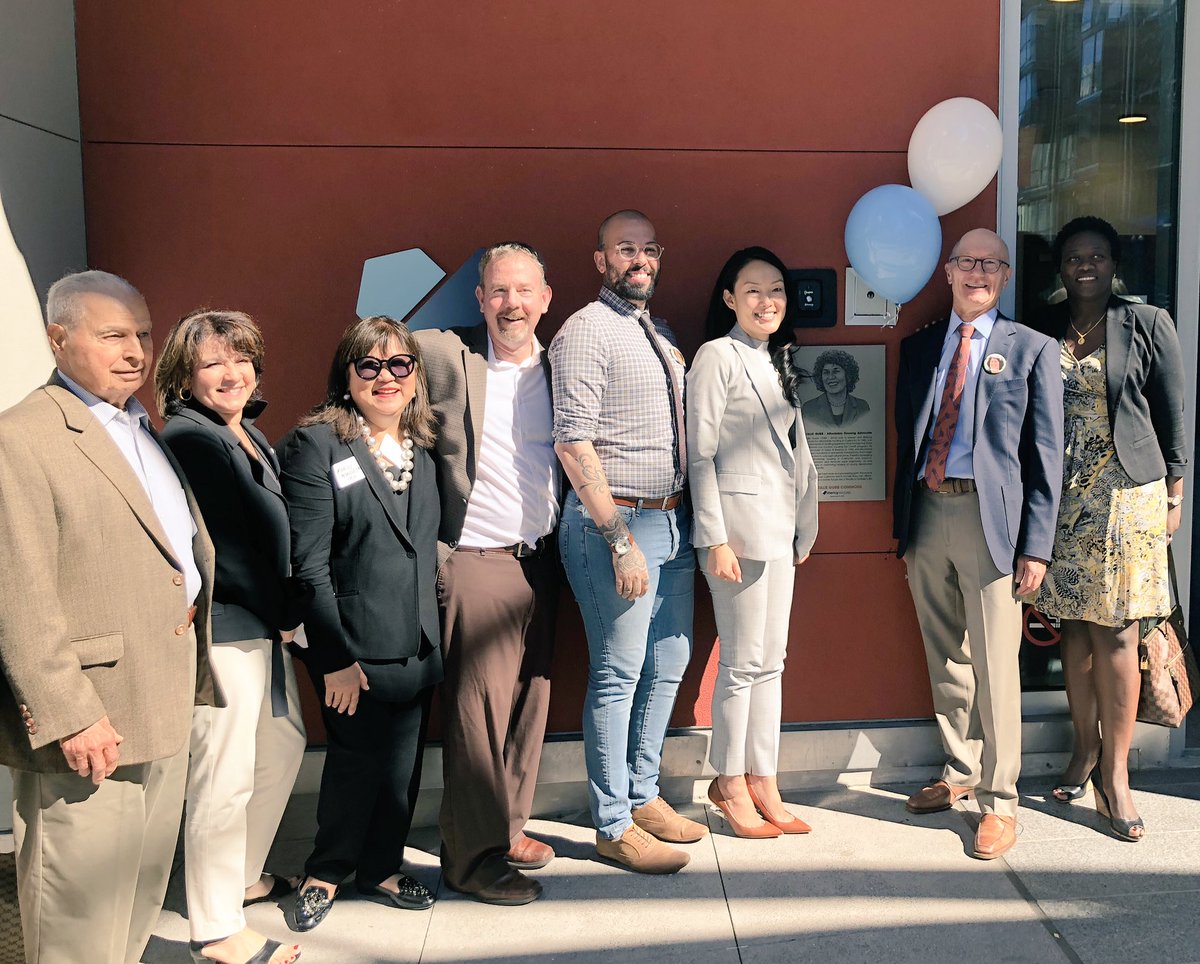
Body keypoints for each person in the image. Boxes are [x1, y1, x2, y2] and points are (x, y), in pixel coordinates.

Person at [0, 270, 222, 964]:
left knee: (132, 915)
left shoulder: (136, 425)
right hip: (90, 725)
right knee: (77, 929)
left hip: (157, 710)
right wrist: (69, 713)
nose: (136, 351)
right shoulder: (24, 437)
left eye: (144, 334)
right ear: (58, 339)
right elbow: (17, 592)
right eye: (113, 335)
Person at [893, 229, 1064, 860]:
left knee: (996, 664)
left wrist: (1036, 546)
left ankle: (1001, 800)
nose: (977, 272)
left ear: (1007, 275)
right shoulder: (917, 348)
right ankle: (959, 769)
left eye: (990, 263)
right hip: (927, 513)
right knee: (945, 653)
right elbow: (905, 434)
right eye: (966, 261)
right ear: (947, 271)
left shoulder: (1032, 350)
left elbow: (1046, 458)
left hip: (992, 524)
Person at [550, 209, 704, 875]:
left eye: (647, 249)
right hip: (615, 526)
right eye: (623, 250)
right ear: (600, 259)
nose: (637, 260)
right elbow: (572, 439)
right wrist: (618, 539)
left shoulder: (659, 334)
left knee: (668, 661)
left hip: (671, 523)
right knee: (617, 674)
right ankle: (612, 823)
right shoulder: (586, 331)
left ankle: (643, 795)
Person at [278, 316, 443, 931]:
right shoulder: (317, 444)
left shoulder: (423, 444)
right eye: (368, 366)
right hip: (353, 645)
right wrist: (334, 660)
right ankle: (327, 872)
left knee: (402, 770)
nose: (385, 378)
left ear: (416, 375)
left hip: (416, 641)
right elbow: (309, 567)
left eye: (399, 365)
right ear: (346, 376)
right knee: (353, 766)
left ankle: (381, 868)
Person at [155, 310, 306, 964]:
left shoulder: (245, 433)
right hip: (229, 627)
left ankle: (242, 876)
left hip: (265, 626)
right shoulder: (192, 438)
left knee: (282, 747)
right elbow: (227, 553)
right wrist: (290, 613)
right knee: (225, 775)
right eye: (213, 362)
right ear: (186, 376)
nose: (231, 373)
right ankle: (215, 930)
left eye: (240, 358)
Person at [414, 242, 561, 905]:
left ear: (546, 298)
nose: (512, 304)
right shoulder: (445, 353)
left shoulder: (563, 369)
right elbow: (367, 361)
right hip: (476, 561)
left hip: (546, 558)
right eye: (499, 291)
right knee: (477, 717)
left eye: (524, 291)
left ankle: (504, 828)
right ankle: (472, 861)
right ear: (479, 300)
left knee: (530, 703)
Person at [1033, 216, 1187, 842]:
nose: (1086, 264)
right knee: (1075, 629)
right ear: (1061, 266)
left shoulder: (1147, 322)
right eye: (1074, 256)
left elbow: (1173, 411)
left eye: (1097, 255)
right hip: (1064, 498)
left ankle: (1117, 775)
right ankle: (1083, 750)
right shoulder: (1043, 327)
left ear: (1115, 263)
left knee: (1119, 632)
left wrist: (1176, 490)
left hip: (1128, 495)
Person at [688, 247, 819, 838]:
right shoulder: (716, 357)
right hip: (736, 536)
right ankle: (729, 780)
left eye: (776, 291)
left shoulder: (778, 358)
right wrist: (713, 537)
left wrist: (802, 526)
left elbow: (795, 456)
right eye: (753, 290)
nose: (767, 302)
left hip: (778, 532)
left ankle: (764, 776)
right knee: (741, 665)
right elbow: (701, 453)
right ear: (728, 299)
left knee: (772, 663)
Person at [801, 348, 871, 428]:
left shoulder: (862, 406)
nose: (830, 377)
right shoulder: (809, 408)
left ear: (848, 375)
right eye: (826, 372)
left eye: (836, 371)